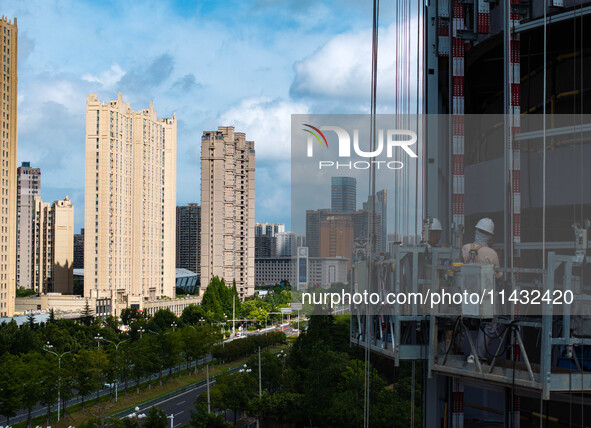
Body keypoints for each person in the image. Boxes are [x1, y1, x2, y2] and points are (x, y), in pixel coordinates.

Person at [462, 218, 503, 363]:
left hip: (468, 294)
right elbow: (499, 274)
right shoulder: (491, 253)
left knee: (470, 321)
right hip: (486, 295)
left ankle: (470, 353)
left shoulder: (466, 248)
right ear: (490, 236)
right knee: (491, 324)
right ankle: (478, 355)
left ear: (477, 231)